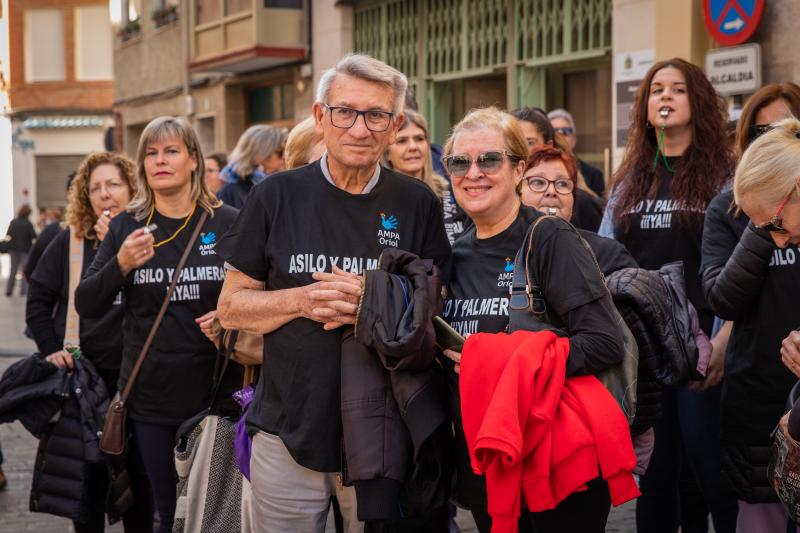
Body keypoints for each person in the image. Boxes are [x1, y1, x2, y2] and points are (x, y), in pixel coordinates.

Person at [215, 53, 451, 533]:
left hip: (382, 432)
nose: (360, 129)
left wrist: (373, 302)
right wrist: (304, 299)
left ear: (395, 123)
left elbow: (433, 310)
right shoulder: (276, 195)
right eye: (345, 111)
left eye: (376, 115)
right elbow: (231, 308)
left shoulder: (417, 203)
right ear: (321, 116)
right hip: (287, 428)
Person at [439, 107, 625, 533]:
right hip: (488, 457)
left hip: (552, 463)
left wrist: (503, 361)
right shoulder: (457, 254)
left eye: (489, 160)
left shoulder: (549, 237)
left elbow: (603, 342)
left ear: (519, 168)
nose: (474, 173)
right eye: (459, 162)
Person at [75, 117, 242, 533]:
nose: (160, 161)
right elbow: (87, 303)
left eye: (171, 151)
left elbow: (256, 292)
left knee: (218, 513)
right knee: (166, 513)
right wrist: (121, 264)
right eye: (151, 153)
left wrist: (230, 315)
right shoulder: (126, 226)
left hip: (218, 394)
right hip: (152, 396)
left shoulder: (228, 222)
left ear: (192, 161)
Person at [599, 57, 738, 533]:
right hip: (645, 350)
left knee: (706, 469)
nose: (665, 97)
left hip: (705, 347)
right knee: (654, 476)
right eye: (656, 89)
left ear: (697, 102)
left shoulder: (725, 176)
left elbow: (742, 266)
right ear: (643, 105)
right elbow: (608, 260)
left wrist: (723, 341)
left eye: (677, 90)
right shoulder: (628, 180)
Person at [24, 151, 152, 532]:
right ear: (85, 196)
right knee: (88, 491)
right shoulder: (71, 242)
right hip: (86, 382)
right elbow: (38, 301)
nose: (105, 194)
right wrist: (52, 350)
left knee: (140, 489)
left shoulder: (150, 238)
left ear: (132, 188)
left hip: (138, 380)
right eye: (95, 188)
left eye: (113, 184)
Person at [700, 83, 800, 533]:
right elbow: (722, 297)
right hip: (757, 396)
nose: (780, 238)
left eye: (777, 225)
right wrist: (761, 227)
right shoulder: (733, 212)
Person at [519, 144, 635, 274]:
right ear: (517, 193)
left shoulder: (608, 256)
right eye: (538, 182)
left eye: (562, 184)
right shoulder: (498, 248)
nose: (551, 191)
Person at [511, 106, 603, 232]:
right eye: (514, 143)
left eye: (530, 142)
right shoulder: (498, 196)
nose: (521, 150)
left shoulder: (579, 203)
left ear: (548, 146)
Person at [384, 109, 465, 244]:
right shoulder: (379, 199)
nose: (413, 147)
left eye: (419, 139)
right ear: (387, 153)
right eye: (402, 141)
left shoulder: (453, 192)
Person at [217, 125, 287, 208]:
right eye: (279, 152)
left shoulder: (282, 184)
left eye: (285, 152)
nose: (284, 157)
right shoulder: (230, 192)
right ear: (259, 154)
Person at [547, 108, 605, 197]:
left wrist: (583, 188)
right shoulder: (536, 170)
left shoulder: (594, 174)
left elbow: (600, 209)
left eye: (565, 131)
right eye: (554, 132)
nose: (560, 136)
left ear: (574, 140)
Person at [4, 204, 36, 296]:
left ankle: (9, 290)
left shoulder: (14, 222)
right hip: (25, 250)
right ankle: (23, 291)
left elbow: (8, 234)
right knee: (24, 270)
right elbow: (33, 236)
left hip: (13, 249)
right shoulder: (28, 223)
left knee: (13, 270)